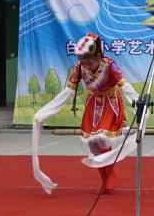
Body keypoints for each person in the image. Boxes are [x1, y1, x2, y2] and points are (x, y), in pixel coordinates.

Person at [31, 33, 140, 195]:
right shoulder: (79, 68)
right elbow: (68, 91)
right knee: (92, 142)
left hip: (110, 103)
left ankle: (110, 176)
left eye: (89, 61)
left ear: (97, 56)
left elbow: (124, 85)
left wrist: (137, 102)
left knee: (102, 138)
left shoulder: (110, 65)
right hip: (93, 104)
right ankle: (104, 179)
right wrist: (45, 112)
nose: (85, 64)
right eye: (82, 60)